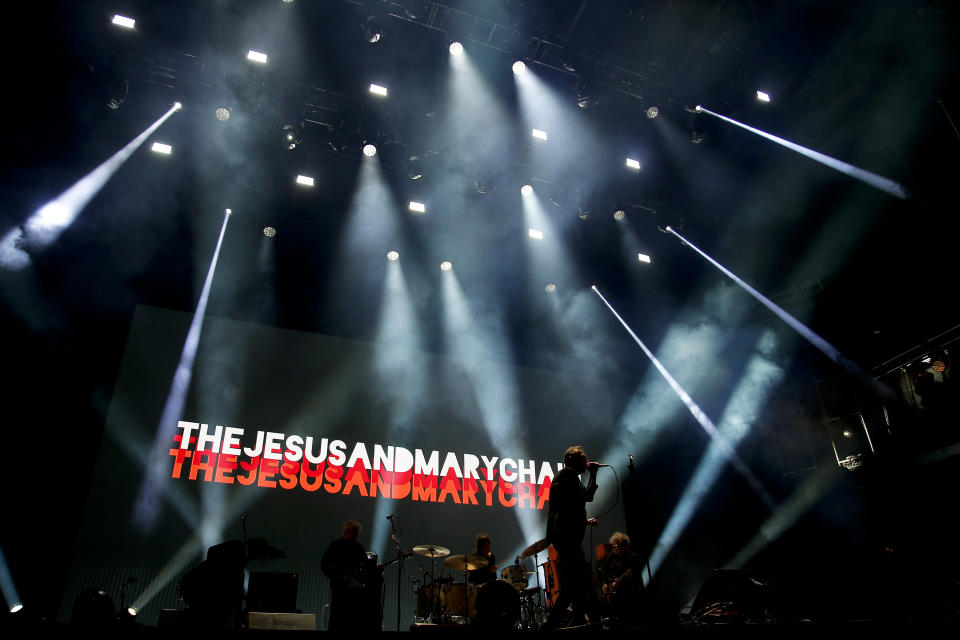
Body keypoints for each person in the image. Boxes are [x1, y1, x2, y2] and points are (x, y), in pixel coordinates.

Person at [543, 445, 599, 628]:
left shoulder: (570, 478)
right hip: (566, 539)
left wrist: (584, 522)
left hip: (566, 537)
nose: (585, 460)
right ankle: (559, 623)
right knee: (579, 582)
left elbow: (569, 508)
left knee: (575, 584)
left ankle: (574, 621)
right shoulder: (567, 475)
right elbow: (587, 497)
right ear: (570, 460)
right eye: (582, 457)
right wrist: (593, 474)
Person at [321, 520, 377, 631]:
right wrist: (336, 577)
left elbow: (365, 568)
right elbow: (324, 565)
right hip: (341, 587)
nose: (356, 535)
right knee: (340, 618)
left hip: (350, 588)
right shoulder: (338, 546)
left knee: (346, 619)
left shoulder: (356, 547)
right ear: (347, 531)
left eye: (357, 533)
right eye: (355, 532)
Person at [600, 531, 643, 627]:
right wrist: (605, 583)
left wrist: (623, 581)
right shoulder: (611, 556)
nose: (614, 547)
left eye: (616, 545)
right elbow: (605, 571)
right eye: (613, 545)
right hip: (613, 588)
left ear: (624, 546)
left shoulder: (632, 558)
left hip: (627, 591)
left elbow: (637, 579)